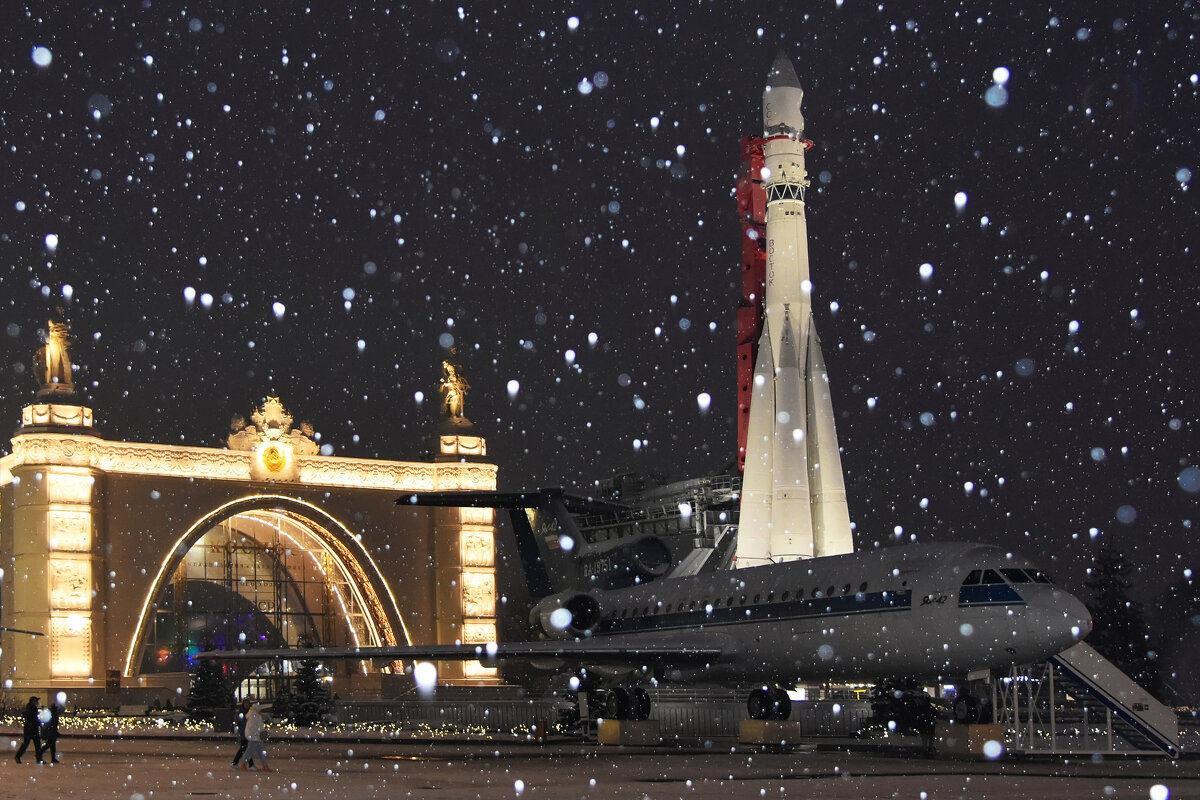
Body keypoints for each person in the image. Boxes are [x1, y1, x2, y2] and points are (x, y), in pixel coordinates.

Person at [238, 700, 272, 772]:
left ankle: (264, 765)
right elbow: (254, 727)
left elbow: (256, 727)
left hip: (255, 736)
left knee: (259, 751)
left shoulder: (255, 715)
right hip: (254, 737)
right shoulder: (255, 715)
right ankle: (243, 764)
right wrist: (261, 733)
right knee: (251, 751)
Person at [15, 696, 43, 764]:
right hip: (32, 729)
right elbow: (33, 718)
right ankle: (38, 759)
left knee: (27, 743)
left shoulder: (29, 707)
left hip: (29, 728)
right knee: (36, 744)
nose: (37, 702)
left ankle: (18, 756)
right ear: (33, 701)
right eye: (36, 701)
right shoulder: (32, 708)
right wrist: (39, 723)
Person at [231, 698, 253, 769]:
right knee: (245, 748)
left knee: (245, 749)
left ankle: (236, 762)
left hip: (248, 733)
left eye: (247, 703)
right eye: (245, 703)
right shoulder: (242, 713)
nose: (246, 705)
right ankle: (250, 764)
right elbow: (240, 724)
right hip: (244, 733)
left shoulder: (250, 712)